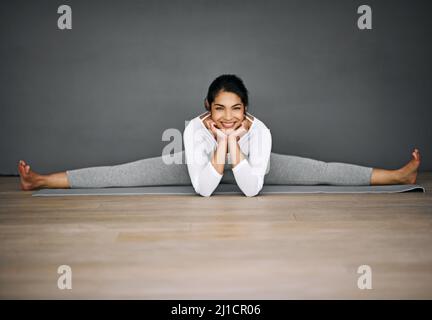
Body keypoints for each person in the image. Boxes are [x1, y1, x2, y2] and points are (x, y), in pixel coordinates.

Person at [17, 74, 421, 197]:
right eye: (219, 109)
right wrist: (222, 144)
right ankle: (40, 180)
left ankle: (399, 176)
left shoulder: (259, 131)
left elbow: (249, 189)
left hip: (254, 167)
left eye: (237, 109)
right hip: (194, 169)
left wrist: (233, 144)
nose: (228, 117)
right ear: (207, 109)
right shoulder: (194, 130)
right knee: (123, 172)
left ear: (247, 110)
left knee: (323, 169)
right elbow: (205, 189)